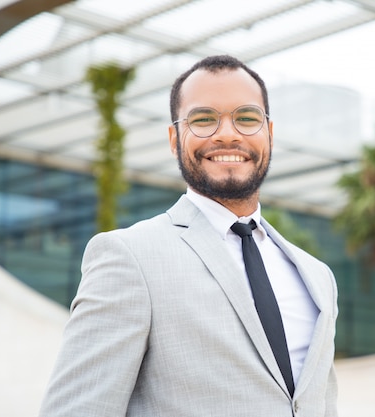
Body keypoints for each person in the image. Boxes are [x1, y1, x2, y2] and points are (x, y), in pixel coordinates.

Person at [39, 55, 338, 417]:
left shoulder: (317, 276)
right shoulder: (128, 257)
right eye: (203, 119)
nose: (227, 133)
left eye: (246, 118)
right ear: (174, 137)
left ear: (269, 134)